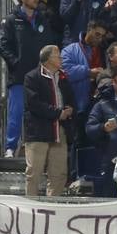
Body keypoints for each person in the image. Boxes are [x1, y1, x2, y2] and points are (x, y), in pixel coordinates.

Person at [0, 0, 57, 157]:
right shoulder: (11, 20)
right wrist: (15, 62)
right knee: (16, 112)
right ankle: (11, 147)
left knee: (41, 112)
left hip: (41, 75)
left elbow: (50, 43)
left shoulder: (43, 19)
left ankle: (35, 148)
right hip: (20, 75)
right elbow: (3, 45)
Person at [24, 45, 76, 197]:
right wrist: (58, 113)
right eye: (57, 55)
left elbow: (71, 99)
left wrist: (70, 109)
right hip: (38, 131)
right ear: (47, 59)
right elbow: (33, 104)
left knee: (59, 173)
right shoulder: (32, 77)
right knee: (34, 172)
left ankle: (52, 209)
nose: (61, 58)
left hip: (60, 130)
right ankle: (31, 209)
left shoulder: (64, 77)